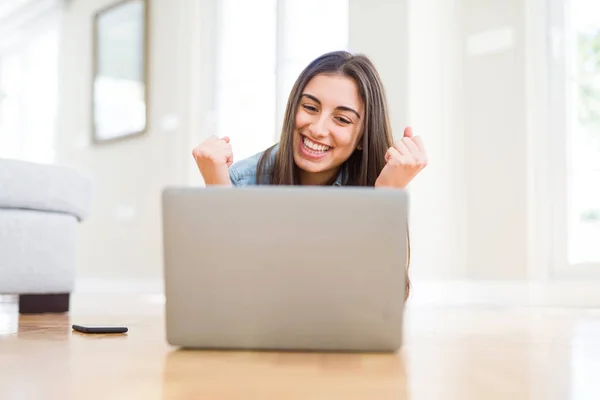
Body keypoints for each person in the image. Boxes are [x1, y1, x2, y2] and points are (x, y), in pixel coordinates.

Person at [192, 50, 427, 301]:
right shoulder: (242, 181)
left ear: (362, 138)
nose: (317, 128)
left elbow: (385, 302)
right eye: (310, 107)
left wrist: (388, 194)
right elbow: (218, 296)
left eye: (342, 119)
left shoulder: (376, 185)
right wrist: (216, 187)